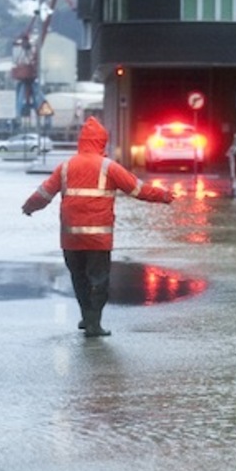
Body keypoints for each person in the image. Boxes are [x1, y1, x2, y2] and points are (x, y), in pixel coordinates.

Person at [22, 116, 175, 337]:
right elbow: (137, 189)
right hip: (98, 237)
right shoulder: (108, 167)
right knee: (98, 279)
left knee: (78, 277)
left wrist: (29, 207)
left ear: (81, 141)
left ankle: (86, 316)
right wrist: (164, 196)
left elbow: (44, 193)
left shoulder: (66, 167)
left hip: (70, 237)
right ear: (102, 141)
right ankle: (94, 323)